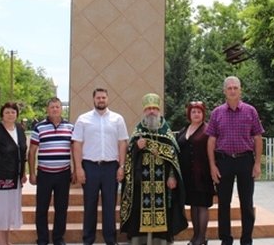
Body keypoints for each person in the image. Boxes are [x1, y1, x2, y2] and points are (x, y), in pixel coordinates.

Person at [121, 93, 188, 245]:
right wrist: (137, 148)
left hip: (163, 180)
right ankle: (140, 239)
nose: (151, 111)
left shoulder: (166, 131)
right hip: (141, 180)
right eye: (148, 108)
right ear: (144, 111)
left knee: (163, 208)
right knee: (139, 208)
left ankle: (161, 239)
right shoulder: (138, 131)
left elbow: (173, 156)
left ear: (159, 111)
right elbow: (130, 153)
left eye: (154, 108)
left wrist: (172, 176)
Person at [206, 76, 265, 245]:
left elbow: (257, 137)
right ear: (224, 91)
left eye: (235, 88)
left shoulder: (250, 111)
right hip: (223, 161)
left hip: (245, 161)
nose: (232, 90)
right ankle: (226, 240)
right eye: (229, 88)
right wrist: (212, 165)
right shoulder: (217, 113)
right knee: (223, 203)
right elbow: (211, 140)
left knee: (247, 203)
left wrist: (257, 163)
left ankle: (246, 240)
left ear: (240, 90)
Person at [72, 87, 129, 245]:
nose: (101, 100)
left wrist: (122, 166)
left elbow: (122, 143)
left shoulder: (117, 119)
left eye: (104, 97)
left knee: (110, 207)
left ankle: (111, 240)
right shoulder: (83, 119)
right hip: (89, 167)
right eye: (98, 98)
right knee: (89, 206)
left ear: (108, 99)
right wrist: (78, 168)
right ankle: (88, 240)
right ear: (93, 99)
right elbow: (77, 144)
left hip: (111, 167)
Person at [28, 97, 74, 245]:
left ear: (62, 109)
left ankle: (58, 238)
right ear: (47, 110)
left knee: (61, 209)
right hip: (44, 174)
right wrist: (32, 174)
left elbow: (74, 150)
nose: (55, 109)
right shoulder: (39, 127)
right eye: (52, 107)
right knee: (42, 209)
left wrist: (74, 170)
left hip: (63, 174)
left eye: (57, 107)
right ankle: (42, 239)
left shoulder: (70, 127)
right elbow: (32, 152)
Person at [0, 101, 28, 245]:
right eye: (7, 112)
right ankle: (0, 242)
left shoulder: (20, 130)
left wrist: (23, 173)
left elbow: (23, 153)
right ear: (2, 114)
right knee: (0, 214)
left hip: (15, 180)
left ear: (17, 114)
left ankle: (7, 242)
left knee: (8, 214)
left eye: (13, 112)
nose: (10, 115)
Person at [177, 101, 215, 245]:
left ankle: (201, 238)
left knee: (202, 206)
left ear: (203, 114)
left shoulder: (208, 130)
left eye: (199, 112)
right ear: (189, 114)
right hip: (188, 176)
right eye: (193, 112)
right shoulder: (184, 129)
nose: (196, 114)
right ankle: (195, 236)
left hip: (202, 174)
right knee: (193, 205)